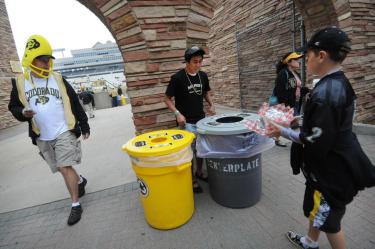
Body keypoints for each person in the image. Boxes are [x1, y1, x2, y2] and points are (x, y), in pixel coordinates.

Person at [266, 27, 375, 249]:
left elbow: (314, 139)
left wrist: (282, 131)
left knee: (330, 223)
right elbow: (326, 125)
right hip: (337, 161)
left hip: (330, 170)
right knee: (319, 210)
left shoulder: (326, 93)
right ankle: (309, 241)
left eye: (307, 57)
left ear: (321, 55)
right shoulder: (338, 82)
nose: (305, 61)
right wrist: (299, 119)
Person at [8, 35, 90, 226]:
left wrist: (84, 124)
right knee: (62, 168)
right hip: (41, 134)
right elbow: (13, 107)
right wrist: (22, 112)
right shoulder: (19, 83)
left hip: (64, 130)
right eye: (43, 60)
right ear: (31, 59)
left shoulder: (59, 79)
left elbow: (74, 102)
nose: (47, 64)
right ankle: (80, 182)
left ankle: (76, 205)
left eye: (49, 60)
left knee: (64, 166)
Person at [165, 46, 215, 193]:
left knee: (200, 149)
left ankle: (199, 172)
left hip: (201, 120)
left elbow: (206, 93)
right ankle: (191, 178)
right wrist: (177, 114)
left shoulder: (203, 75)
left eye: (200, 62)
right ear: (187, 62)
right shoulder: (177, 78)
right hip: (186, 122)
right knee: (189, 152)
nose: (198, 65)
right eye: (195, 62)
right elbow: (167, 99)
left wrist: (211, 104)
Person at [273, 51, 306, 147]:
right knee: (284, 123)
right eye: (295, 60)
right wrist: (285, 105)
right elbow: (280, 91)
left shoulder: (296, 73)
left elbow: (297, 88)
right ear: (288, 62)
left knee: (292, 122)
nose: (298, 61)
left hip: (295, 101)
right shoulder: (283, 73)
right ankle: (277, 139)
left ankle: (295, 139)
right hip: (287, 103)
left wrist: (307, 90)